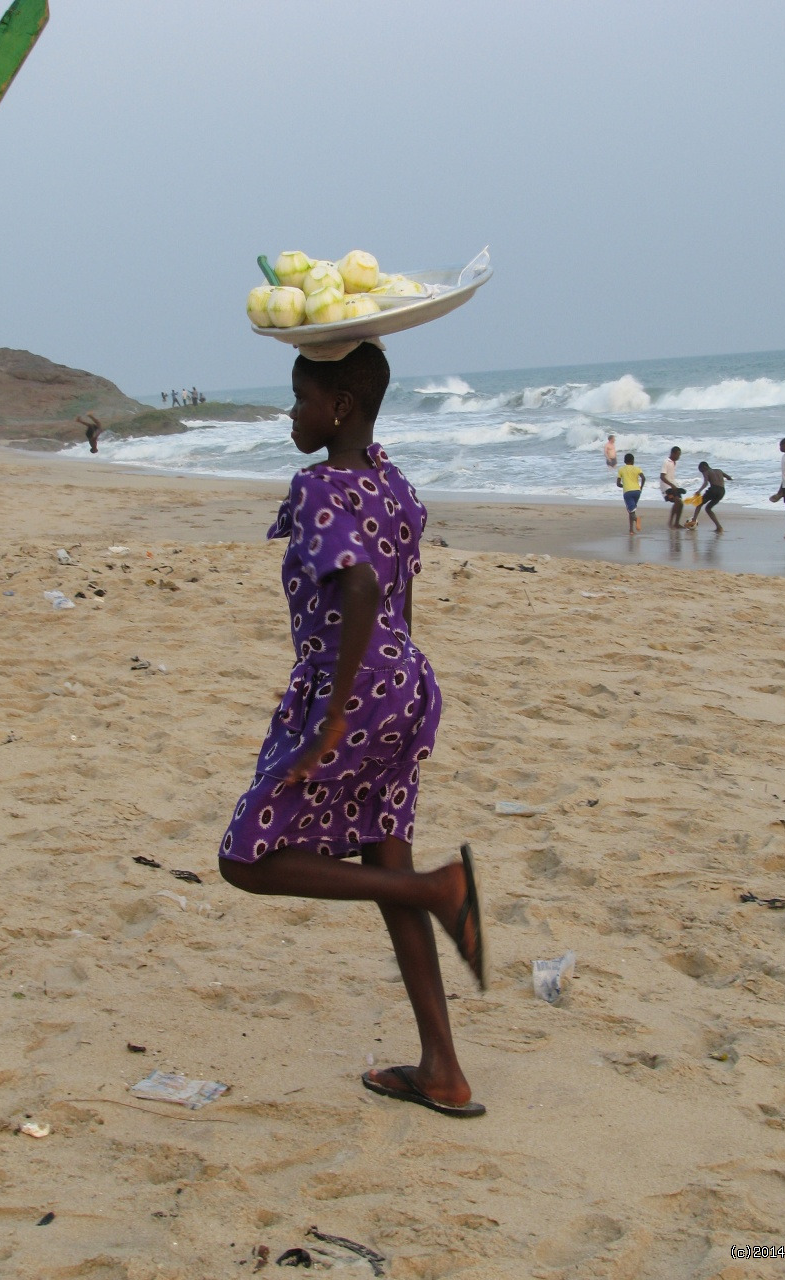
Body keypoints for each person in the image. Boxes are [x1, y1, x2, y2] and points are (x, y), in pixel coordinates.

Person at [217, 341, 487, 1118]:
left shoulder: (317, 488)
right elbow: (398, 589)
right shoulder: (392, 481)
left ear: (338, 403)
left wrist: (333, 714)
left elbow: (363, 583)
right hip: (406, 682)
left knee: (246, 858)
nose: (290, 413)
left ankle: (440, 888)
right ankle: (444, 1070)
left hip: (353, 688)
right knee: (382, 847)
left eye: (300, 398)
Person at [688, 461, 732, 532]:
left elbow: (705, 483)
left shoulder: (707, 471)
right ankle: (719, 527)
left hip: (713, 490)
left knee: (699, 504)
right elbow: (729, 478)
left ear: (705, 467)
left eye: (702, 471)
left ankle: (693, 521)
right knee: (708, 509)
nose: (702, 473)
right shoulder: (719, 470)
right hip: (722, 491)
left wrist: (699, 491)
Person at [616, 452, 645, 533]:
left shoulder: (621, 469)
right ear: (633, 461)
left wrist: (624, 485)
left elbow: (618, 484)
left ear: (625, 461)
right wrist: (641, 487)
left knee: (631, 510)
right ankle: (631, 530)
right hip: (637, 492)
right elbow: (643, 478)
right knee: (632, 510)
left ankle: (637, 519)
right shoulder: (637, 468)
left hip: (628, 492)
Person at [659, 446, 686, 528]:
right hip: (666, 487)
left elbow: (671, 476)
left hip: (673, 486)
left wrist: (675, 485)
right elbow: (662, 476)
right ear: (673, 453)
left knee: (681, 504)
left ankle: (676, 523)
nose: (679, 457)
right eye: (678, 455)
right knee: (677, 501)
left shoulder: (674, 463)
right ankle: (670, 522)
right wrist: (671, 485)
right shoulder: (666, 462)